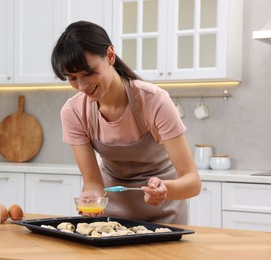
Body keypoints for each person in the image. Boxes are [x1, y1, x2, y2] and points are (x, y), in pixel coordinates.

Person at [51, 21, 201, 224]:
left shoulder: (154, 100)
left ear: (110, 55)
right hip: (111, 217)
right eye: (72, 78)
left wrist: (165, 190)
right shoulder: (74, 112)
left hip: (165, 214)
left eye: (88, 73)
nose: (82, 86)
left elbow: (192, 182)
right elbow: (93, 182)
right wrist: (91, 198)